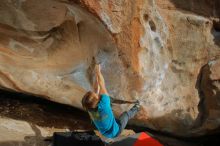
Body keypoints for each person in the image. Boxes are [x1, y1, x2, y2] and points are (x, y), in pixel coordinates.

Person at [81, 64, 140, 139]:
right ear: (97, 100)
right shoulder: (104, 104)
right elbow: (102, 85)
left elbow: (96, 89)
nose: (96, 93)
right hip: (116, 131)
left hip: (105, 132)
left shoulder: (89, 108)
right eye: (95, 95)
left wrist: (96, 74)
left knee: (110, 111)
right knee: (125, 115)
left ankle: (112, 120)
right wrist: (98, 71)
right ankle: (137, 107)